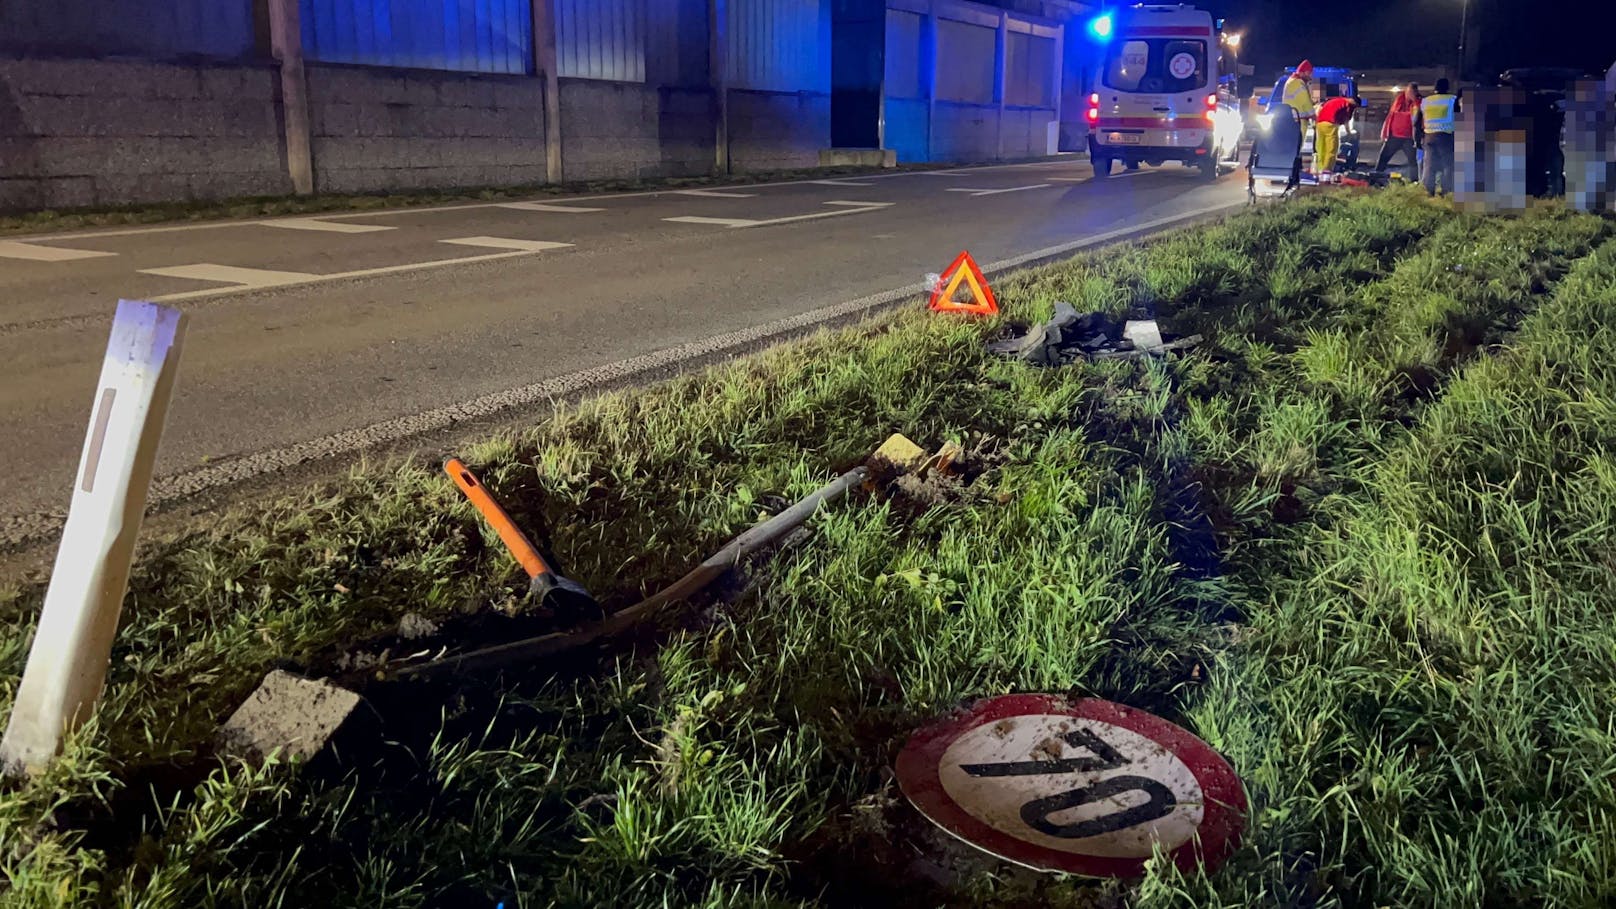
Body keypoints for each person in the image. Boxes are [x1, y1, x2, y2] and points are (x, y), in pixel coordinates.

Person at [1421, 78, 1460, 196]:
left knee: (1429, 166)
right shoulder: (1452, 100)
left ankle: (1428, 192)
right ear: (1447, 87)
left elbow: (1417, 120)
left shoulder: (1426, 101)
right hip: (1446, 136)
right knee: (1448, 165)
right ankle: (1446, 192)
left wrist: (1418, 138)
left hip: (1429, 136)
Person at [1375, 83, 1421, 180]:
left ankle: (1414, 180)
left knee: (1413, 161)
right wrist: (1385, 132)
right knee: (1383, 157)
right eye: (1408, 92)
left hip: (1409, 137)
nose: (1409, 94)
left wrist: (1415, 100)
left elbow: (1416, 116)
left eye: (1412, 92)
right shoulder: (1399, 100)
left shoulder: (1419, 101)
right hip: (1394, 136)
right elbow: (1392, 115)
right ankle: (1376, 176)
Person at [1314, 94, 1361, 175]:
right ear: (1355, 102)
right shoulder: (1348, 105)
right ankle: (1327, 171)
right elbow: (1346, 120)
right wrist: (1349, 132)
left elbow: (1320, 110)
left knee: (1321, 147)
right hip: (1331, 125)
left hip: (1320, 124)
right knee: (1332, 149)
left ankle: (1318, 168)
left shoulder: (1335, 100)